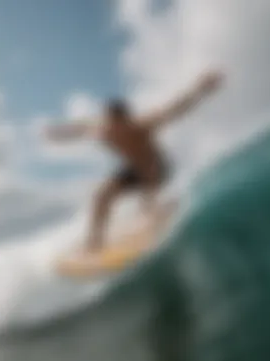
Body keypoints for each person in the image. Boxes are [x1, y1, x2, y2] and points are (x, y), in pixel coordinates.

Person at [46, 70, 223, 254]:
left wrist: (200, 89)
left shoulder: (140, 124)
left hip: (157, 167)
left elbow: (175, 109)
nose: (116, 127)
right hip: (132, 170)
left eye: (120, 122)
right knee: (101, 195)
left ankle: (154, 209)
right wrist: (58, 133)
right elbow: (80, 128)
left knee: (148, 178)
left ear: (126, 118)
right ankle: (95, 240)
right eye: (112, 122)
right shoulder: (103, 129)